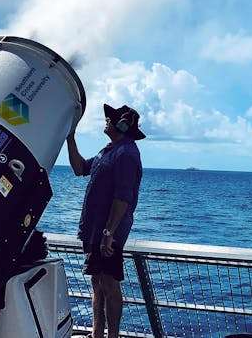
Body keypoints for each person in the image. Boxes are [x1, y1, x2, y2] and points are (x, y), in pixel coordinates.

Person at [66, 103, 145, 338]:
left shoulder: (127, 154)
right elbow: (80, 168)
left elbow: (123, 198)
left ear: (122, 125)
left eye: (111, 118)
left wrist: (108, 234)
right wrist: (70, 138)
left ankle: (112, 336)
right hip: (93, 230)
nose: (107, 121)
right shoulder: (108, 151)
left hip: (107, 234)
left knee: (109, 285)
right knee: (97, 283)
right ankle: (96, 334)